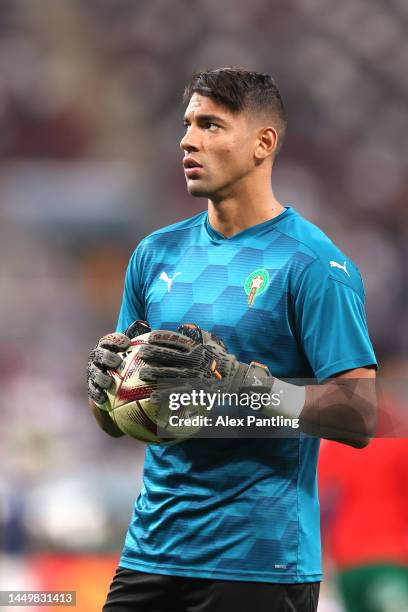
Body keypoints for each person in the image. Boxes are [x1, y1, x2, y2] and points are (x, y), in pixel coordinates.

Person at [87, 68, 377, 612]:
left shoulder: (313, 263)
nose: (188, 139)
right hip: (151, 553)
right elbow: (123, 418)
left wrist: (248, 387)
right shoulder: (154, 255)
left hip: (259, 563)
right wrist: (103, 392)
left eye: (211, 125)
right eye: (188, 124)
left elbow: (359, 415)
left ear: (263, 144)